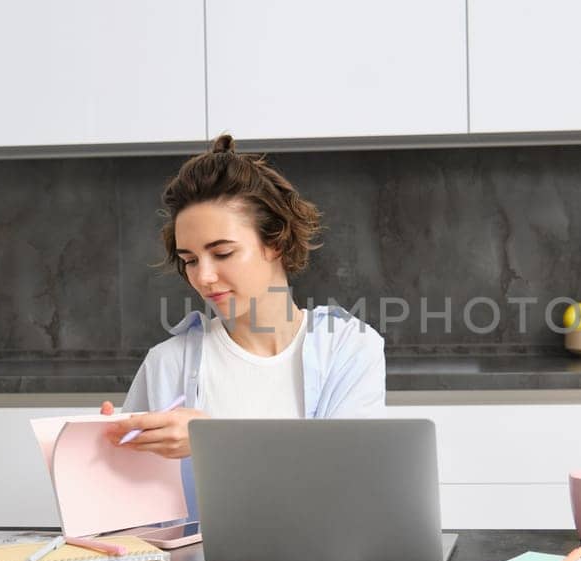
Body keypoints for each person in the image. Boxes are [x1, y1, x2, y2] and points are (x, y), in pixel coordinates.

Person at [104, 134, 387, 516]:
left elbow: (349, 482)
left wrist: (209, 439)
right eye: (189, 260)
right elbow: (122, 505)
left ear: (277, 242)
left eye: (222, 253)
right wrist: (99, 449)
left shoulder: (348, 347)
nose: (203, 277)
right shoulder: (167, 363)